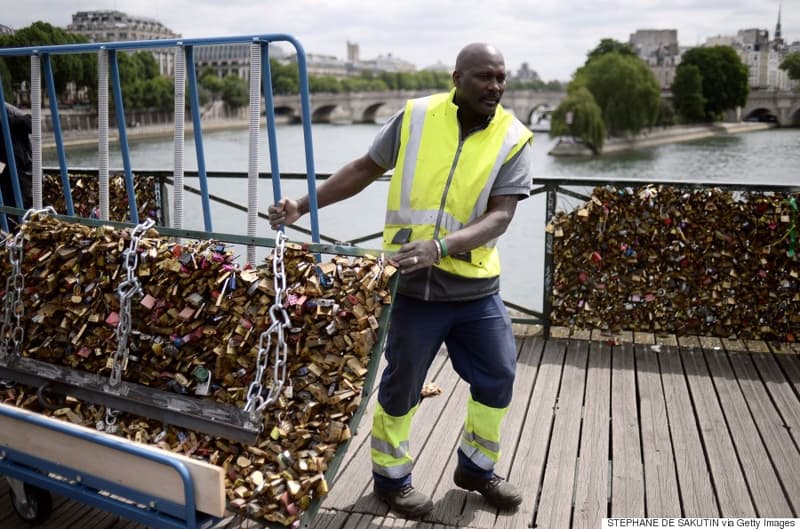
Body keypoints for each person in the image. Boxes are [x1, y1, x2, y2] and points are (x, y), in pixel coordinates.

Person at [268, 42, 533, 518]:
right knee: (401, 385)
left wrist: (441, 247)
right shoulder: (414, 116)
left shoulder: (514, 137)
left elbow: (501, 217)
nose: (495, 86)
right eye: (484, 77)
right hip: (413, 289)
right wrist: (302, 205)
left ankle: (476, 467)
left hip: (475, 290)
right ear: (457, 78)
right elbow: (363, 170)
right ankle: (391, 480)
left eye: (501, 77)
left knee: (499, 376)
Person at [0, 102, 33, 223]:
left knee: (22, 204)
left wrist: (6, 121)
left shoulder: (7, 110)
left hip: (21, 167)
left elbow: (30, 122)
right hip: (4, 165)